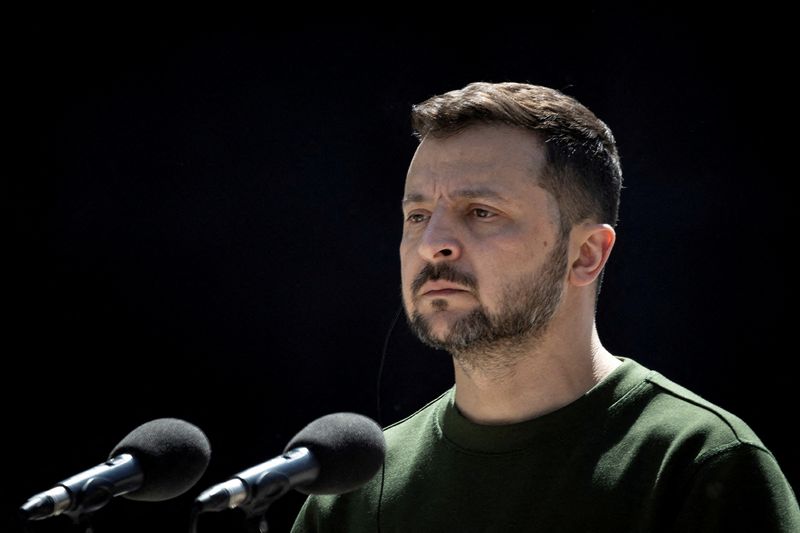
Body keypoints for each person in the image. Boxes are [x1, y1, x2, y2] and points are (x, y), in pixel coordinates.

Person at [290, 82, 800, 532]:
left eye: (481, 212)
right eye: (418, 214)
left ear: (586, 254)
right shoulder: (351, 490)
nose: (433, 243)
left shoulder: (698, 465)